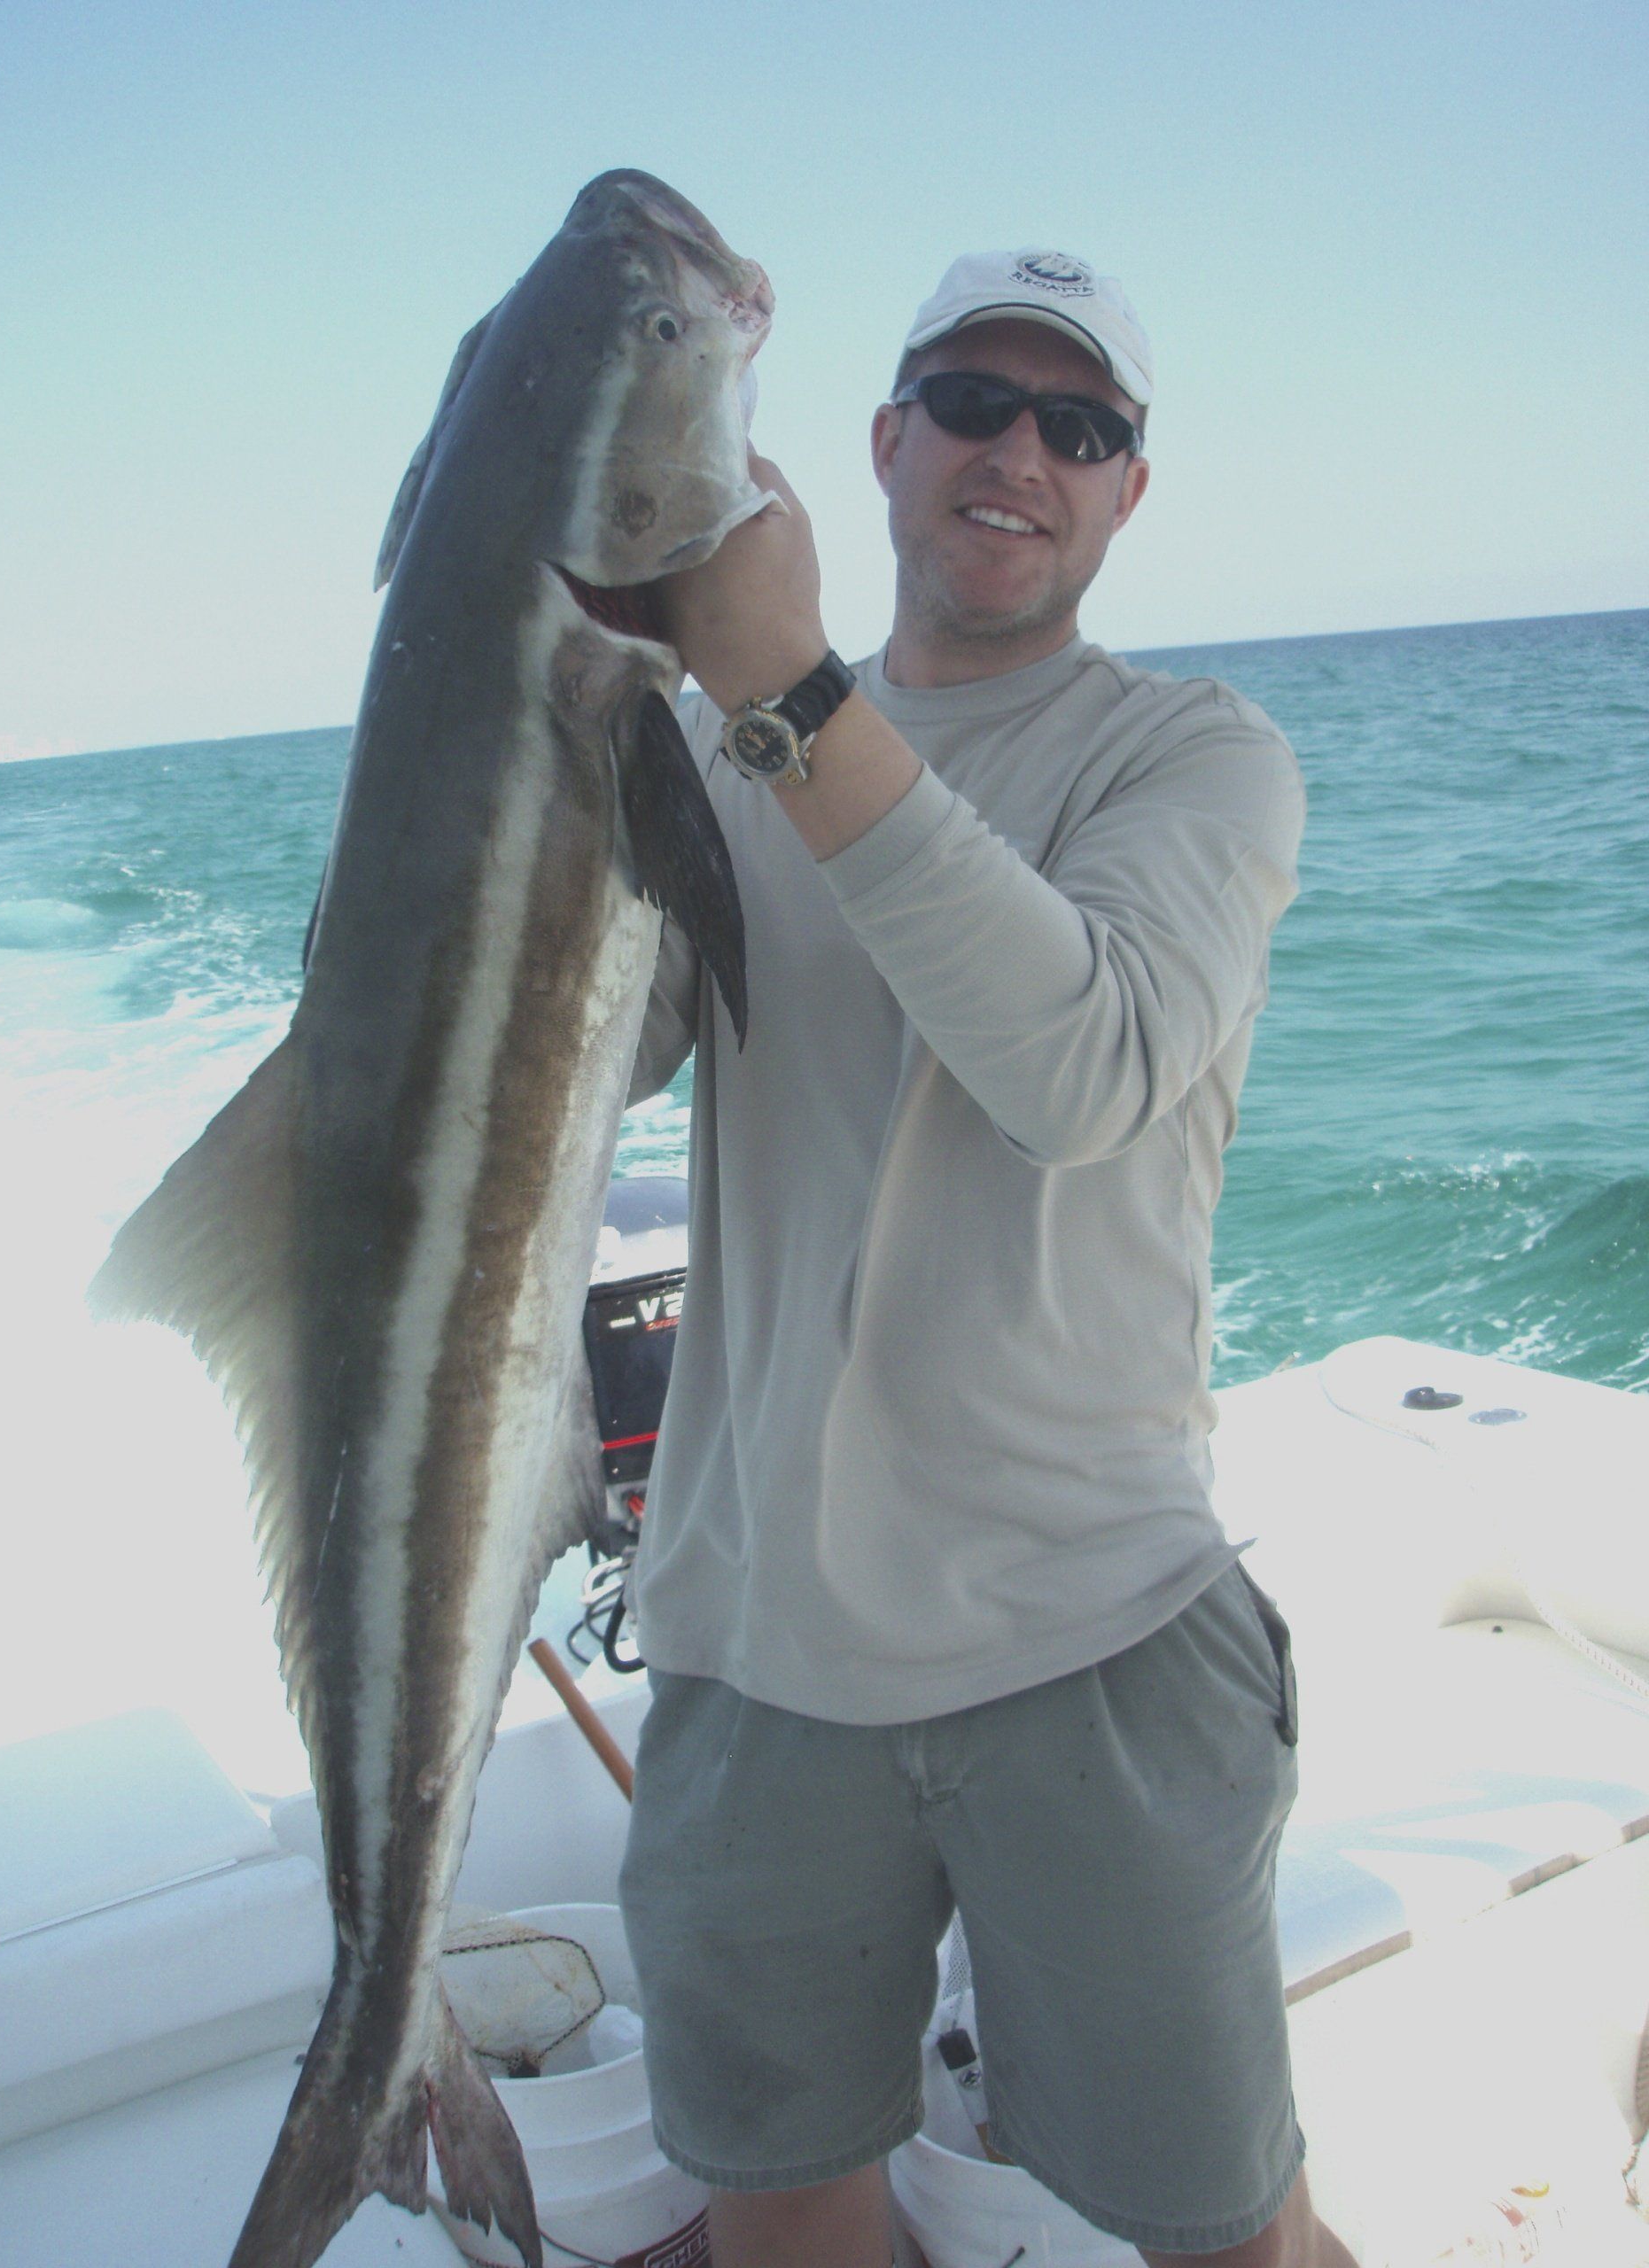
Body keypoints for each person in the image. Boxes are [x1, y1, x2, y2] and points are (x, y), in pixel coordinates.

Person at [618, 246, 1354, 2268]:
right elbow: (582, 1059)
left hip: (1095, 1628)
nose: (1020, 450)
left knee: (1230, 2225)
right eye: (972, 401)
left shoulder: (1195, 758)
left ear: (1129, 489)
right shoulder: (699, 765)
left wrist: (778, 687)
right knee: (778, 2212)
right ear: (883, 443)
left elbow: (1086, 1061)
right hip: (759, 1640)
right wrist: (558, 675)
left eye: (1081, 423)